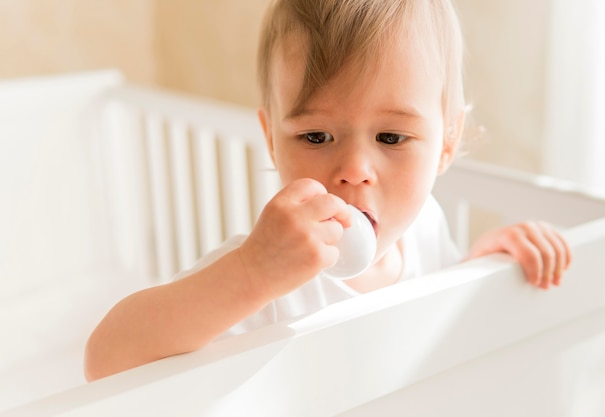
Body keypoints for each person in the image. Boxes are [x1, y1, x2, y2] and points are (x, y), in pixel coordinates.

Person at [84, 0, 571, 381]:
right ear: (272, 140)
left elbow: (426, 324)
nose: (355, 170)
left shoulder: (426, 225)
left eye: (391, 137)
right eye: (316, 137)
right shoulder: (267, 272)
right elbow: (106, 361)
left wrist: (476, 272)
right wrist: (251, 273)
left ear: (447, 142)